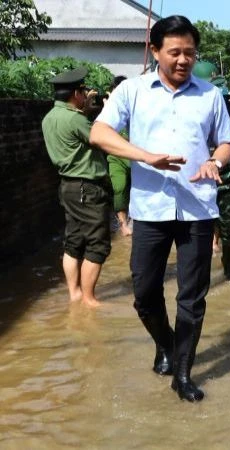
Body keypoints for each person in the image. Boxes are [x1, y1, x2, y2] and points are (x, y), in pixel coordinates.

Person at [90, 15, 230, 402]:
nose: (183, 60)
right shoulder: (132, 92)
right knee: (144, 292)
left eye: (190, 52)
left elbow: (225, 143)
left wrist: (215, 163)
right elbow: (99, 133)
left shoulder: (210, 95)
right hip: (150, 208)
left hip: (198, 209)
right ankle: (166, 344)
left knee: (193, 297)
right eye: (175, 52)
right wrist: (145, 157)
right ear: (155, 51)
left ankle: (183, 374)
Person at [42, 67, 113, 309]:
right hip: (87, 188)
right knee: (97, 243)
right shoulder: (75, 119)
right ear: (75, 93)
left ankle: (74, 294)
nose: (86, 95)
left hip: (68, 187)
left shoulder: (49, 117)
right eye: (83, 91)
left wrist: (89, 110)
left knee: (73, 241)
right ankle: (89, 299)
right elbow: (100, 137)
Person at [193, 61, 230, 280]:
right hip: (196, 178)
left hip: (226, 176)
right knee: (198, 229)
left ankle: (228, 262)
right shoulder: (188, 108)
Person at [104, 75, 133, 237]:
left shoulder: (136, 105)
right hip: (115, 156)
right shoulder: (108, 107)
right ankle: (123, 224)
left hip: (135, 156)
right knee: (119, 188)